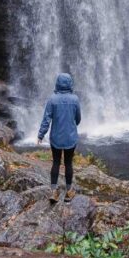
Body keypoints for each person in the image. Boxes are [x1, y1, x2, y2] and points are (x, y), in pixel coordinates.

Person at [37, 72, 81, 203]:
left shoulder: (52, 99)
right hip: (70, 137)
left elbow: (46, 120)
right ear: (70, 84)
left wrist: (41, 134)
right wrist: (72, 126)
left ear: (57, 83)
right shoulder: (75, 99)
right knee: (68, 163)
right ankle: (68, 192)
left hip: (56, 137)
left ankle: (54, 191)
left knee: (56, 162)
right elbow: (78, 118)